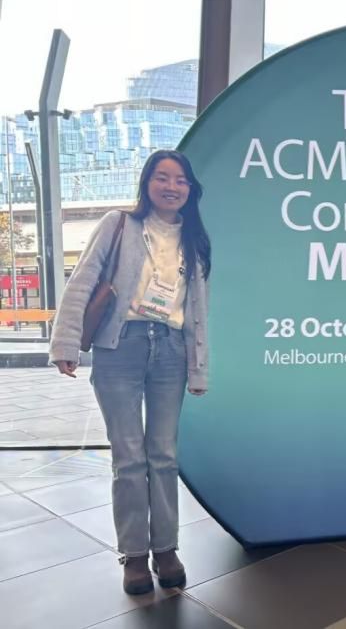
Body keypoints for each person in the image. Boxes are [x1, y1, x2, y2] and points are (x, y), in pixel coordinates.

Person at [49, 149, 211, 594]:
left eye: (180, 179)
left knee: (164, 455)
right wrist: (65, 343)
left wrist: (199, 367)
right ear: (146, 183)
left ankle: (166, 548)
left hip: (171, 349)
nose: (171, 186)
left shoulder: (194, 239)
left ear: (190, 188)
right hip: (121, 346)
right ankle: (135, 554)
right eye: (162, 177)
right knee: (128, 457)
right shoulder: (118, 224)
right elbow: (83, 281)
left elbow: (198, 310)